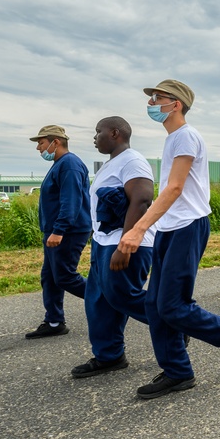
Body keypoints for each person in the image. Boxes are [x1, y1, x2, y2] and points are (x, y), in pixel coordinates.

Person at [117, 80, 220, 400]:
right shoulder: (173, 139)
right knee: (154, 305)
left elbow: (175, 188)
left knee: (174, 305)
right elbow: (173, 192)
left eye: (157, 98)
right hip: (170, 228)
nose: (151, 102)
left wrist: (137, 229)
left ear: (175, 104)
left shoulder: (186, 137)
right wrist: (155, 226)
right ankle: (178, 371)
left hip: (187, 227)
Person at [71, 117, 155, 378]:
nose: (95, 137)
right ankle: (109, 355)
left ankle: (176, 324)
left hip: (127, 243)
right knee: (98, 301)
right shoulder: (112, 165)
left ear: (115, 133)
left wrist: (125, 243)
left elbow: (141, 200)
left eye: (99, 132)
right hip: (103, 243)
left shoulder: (133, 161)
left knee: (122, 296)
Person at [26, 125, 91, 339]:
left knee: (64, 277)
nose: (38, 147)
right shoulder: (59, 164)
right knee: (50, 277)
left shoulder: (69, 164)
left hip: (68, 232)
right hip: (56, 231)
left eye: (41, 142)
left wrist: (59, 230)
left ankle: (109, 300)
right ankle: (54, 321)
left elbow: (70, 200)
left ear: (56, 142)